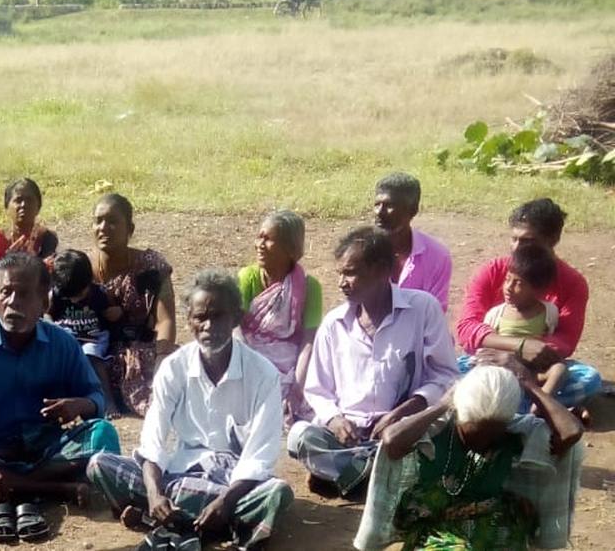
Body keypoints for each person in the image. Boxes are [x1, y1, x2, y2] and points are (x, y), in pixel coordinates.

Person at [87, 269, 294, 550]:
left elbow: (261, 455)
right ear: (189, 322)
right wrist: (154, 493)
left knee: (277, 493)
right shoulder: (174, 368)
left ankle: (169, 522)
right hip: (179, 474)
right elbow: (153, 440)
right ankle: (208, 525)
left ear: (236, 317)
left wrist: (225, 501)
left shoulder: (263, 374)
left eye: (217, 315)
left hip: (234, 485)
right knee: (100, 464)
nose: (208, 325)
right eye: (200, 317)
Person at [0, 253, 120, 542]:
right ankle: (55, 490)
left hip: (47, 449)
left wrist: (80, 405)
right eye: (5, 292)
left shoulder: (62, 342)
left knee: (103, 434)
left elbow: (96, 398)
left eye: (24, 294)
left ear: (44, 302)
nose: (13, 302)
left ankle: (13, 489)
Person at [289, 227, 458, 498]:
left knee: (440, 433)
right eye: (340, 273)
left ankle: (348, 477)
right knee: (300, 436)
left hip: (401, 430)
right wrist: (335, 421)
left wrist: (403, 412)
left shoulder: (423, 309)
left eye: (351, 273)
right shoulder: (334, 323)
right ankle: (371, 477)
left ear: (381, 271)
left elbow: (445, 375)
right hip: (348, 437)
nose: (342, 282)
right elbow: (317, 390)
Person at [355, 359, 584, 550]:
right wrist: (443, 404)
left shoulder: (514, 431)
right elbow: (392, 441)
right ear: (460, 415)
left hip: (496, 526)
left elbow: (571, 432)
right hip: (436, 530)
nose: (484, 442)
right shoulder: (439, 429)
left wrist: (529, 385)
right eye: (475, 433)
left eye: (493, 434)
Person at [455, 198, 602, 411]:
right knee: (449, 373)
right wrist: (518, 348)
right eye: (514, 239)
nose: (516, 247)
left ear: (553, 238)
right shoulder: (493, 271)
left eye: (527, 241)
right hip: (491, 361)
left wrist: (524, 361)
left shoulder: (572, 282)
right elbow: (467, 328)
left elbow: (565, 341)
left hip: (536, 369)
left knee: (589, 379)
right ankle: (546, 407)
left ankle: (497, 406)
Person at [87, 193, 177, 417]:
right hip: (95, 353)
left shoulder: (151, 267)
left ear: (130, 229)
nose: (104, 227)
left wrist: (161, 360)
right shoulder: (82, 269)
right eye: (98, 221)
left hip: (142, 350)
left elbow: (165, 320)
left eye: (113, 221)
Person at [237, 210, 323, 423]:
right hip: (249, 354)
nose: (259, 244)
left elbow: (308, 343)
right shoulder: (247, 277)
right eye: (259, 236)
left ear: (290, 249)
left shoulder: (310, 287)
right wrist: (249, 366)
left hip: (290, 362)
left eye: (268, 239)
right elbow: (234, 327)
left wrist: (296, 387)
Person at [472, 244, 569, 401]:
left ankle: (539, 407)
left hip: (533, 373)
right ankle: (558, 407)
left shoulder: (549, 312)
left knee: (562, 370)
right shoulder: (496, 314)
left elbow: (549, 345)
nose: (508, 287)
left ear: (539, 289)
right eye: (507, 279)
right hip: (503, 371)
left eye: (518, 283)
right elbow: (488, 351)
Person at [48, 249, 123, 419]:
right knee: (58, 358)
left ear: (89, 281)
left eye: (79, 294)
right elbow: (47, 313)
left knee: (92, 357)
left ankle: (107, 400)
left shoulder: (99, 293)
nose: (74, 300)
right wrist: (51, 325)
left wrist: (115, 312)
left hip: (93, 336)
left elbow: (114, 309)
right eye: (70, 296)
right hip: (66, 334)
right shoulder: (56, 294)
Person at [374, 172, 453, 312]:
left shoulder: (437, 256)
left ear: (412, 210)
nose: (379, 212)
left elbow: (435, 313)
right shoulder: (362, 251)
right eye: (377, 204)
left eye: (389, 205)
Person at [0, 178, 59, 261]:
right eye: (18, 200)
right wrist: (8, 262)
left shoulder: (46, 238)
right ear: (7, 206)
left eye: (29, 200)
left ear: (38, 206)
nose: (23, 205)